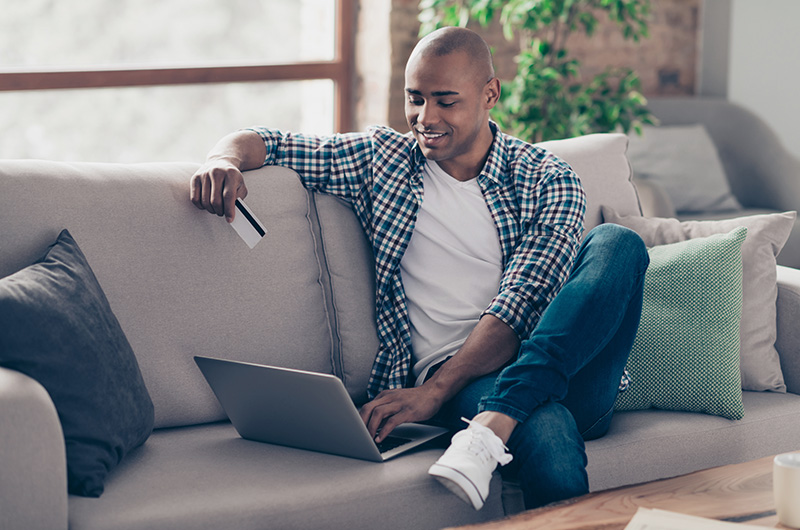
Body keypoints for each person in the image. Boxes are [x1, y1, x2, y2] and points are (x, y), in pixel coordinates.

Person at [189, 26, 649, 511]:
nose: (425, 118)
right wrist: (223, 160)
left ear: (490, 93)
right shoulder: (382, 162)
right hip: (474, 386)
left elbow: (522, 302)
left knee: (617, 244)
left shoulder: (544, 177)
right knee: (546, 431)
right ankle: (498, 421)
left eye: (445, 101)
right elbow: (270, 142)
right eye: (415, 99)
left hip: (571, 373)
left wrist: (433, 392)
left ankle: (493, 424)